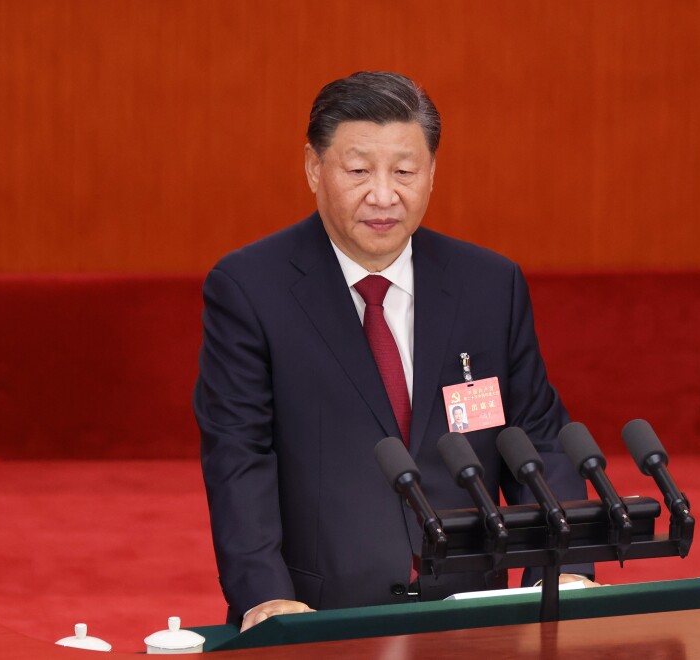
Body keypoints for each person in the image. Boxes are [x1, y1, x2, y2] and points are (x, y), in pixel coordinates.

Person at [193, 71, 591, 632]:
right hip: (320, 618)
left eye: (405, 172)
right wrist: (266, 597)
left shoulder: (488, 285)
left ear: (432, 172)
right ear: (313, 168)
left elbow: (537, 439)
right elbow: (239, 457)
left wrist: (565, 567)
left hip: (471, 616)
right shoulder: (250, 288)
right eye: (358, 171)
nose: (383, 195)